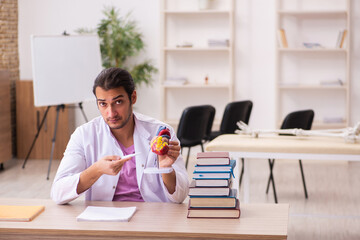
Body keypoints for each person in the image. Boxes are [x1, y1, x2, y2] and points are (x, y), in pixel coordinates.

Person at [51, 67, 189, 204]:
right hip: (106, 218)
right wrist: (96, 170)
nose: (111, 113)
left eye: (118, 102)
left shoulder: (161, 132)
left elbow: (180, 197)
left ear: (133, 97)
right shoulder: (83, 135)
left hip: (152, 217)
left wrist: (166, 169)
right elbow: (58, 193)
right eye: (103, 104)